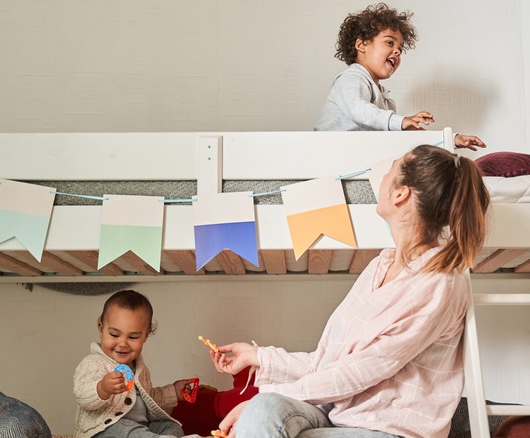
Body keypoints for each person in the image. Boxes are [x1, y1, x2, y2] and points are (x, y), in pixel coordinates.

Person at [210, 144, 490, 437]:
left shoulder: (437, 282)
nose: (380, 178)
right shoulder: (379, 267)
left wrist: (260, 398)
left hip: (388, 430)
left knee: (260, 410)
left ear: (400, 193)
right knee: (264, 410)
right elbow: (329, 364)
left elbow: (362, 371)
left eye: (389, 170)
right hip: (340, 418)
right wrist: (258, 356)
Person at [314, 3, 484, 151]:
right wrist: (401, 121)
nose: (397, 51)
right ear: (361, 45)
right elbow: (360, 111)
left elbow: (399, 138)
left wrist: (449, 139)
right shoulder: (351, 78)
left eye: (400, 49)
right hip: (329, 158)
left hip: (357, 159)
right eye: (389, 42)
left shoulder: (386, 101)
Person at [73, 289, 200, 438]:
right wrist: (102, 388)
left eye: (133, 337)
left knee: (171, 425)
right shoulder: (93, 363)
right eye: (114, 334)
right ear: (101, 329)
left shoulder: (140, 368)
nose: (122, 343)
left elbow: (150, 398)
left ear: (145, 336)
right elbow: (81, 396)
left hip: (140, 428)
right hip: (103, 430)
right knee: (124, 428)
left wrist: (173, 391)